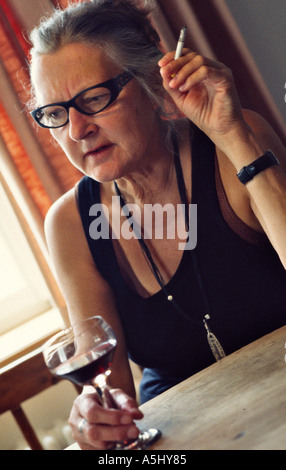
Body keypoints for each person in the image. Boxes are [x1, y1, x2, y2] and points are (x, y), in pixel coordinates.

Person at [28, 0, 286, 450]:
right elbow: (112, 390)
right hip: (186, 434)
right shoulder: (71, 224)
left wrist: (232, 134)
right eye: (55, 113)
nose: (76, 130)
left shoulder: (234, 141)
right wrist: (96, 417)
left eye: (93, 99)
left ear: (151, 80)